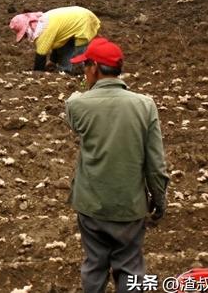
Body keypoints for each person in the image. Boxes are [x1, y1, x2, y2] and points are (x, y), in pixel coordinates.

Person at [65, 38, 169, 293]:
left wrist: (87, 86)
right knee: (131, 267)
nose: (84, 71)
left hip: (91, 205)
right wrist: (159, 199)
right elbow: (155, 162)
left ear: (95, 68)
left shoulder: (77, 104)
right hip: (129, 206)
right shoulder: (144, 105)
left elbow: (77, 103)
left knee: (94, 265)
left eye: (86, 66)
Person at [9, 6, 100, 73]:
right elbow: (57, 43)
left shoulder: (43, 33)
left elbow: (40, 57)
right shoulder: (43, 21)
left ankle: (81, 70)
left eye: (24, 34)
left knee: (79, 55)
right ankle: (66, 68)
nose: (25, 37)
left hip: (83, 21)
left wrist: (37, 74)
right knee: (63, 47)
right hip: (79, 16)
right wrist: (52, 61)